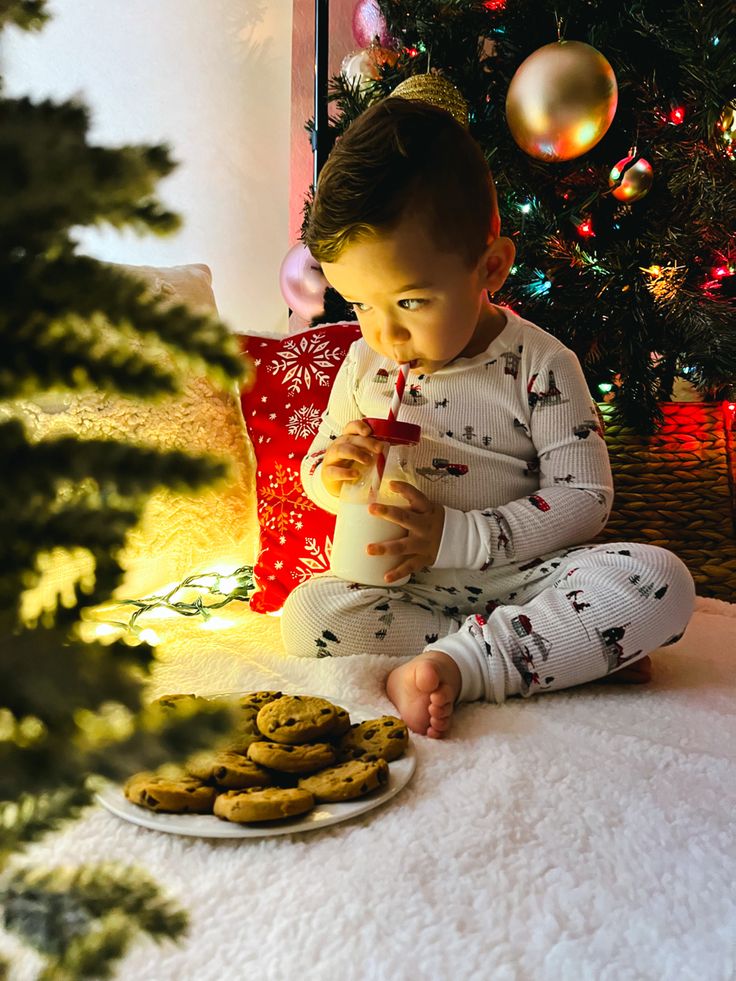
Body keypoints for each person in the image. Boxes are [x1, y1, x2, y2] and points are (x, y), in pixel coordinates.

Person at [280, 96, 695, 738]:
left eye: (411, 301)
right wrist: (334, 475)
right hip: (407, 588)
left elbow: (586, 497)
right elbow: (318, 466)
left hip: (530, 580)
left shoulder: (540, 363)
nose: (385, 333)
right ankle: (550, 653)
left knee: (660, 580)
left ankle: (472, 662)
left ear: (490, 267)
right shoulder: (365, 365)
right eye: (360, 303)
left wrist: (458, 536)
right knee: (308, 614)